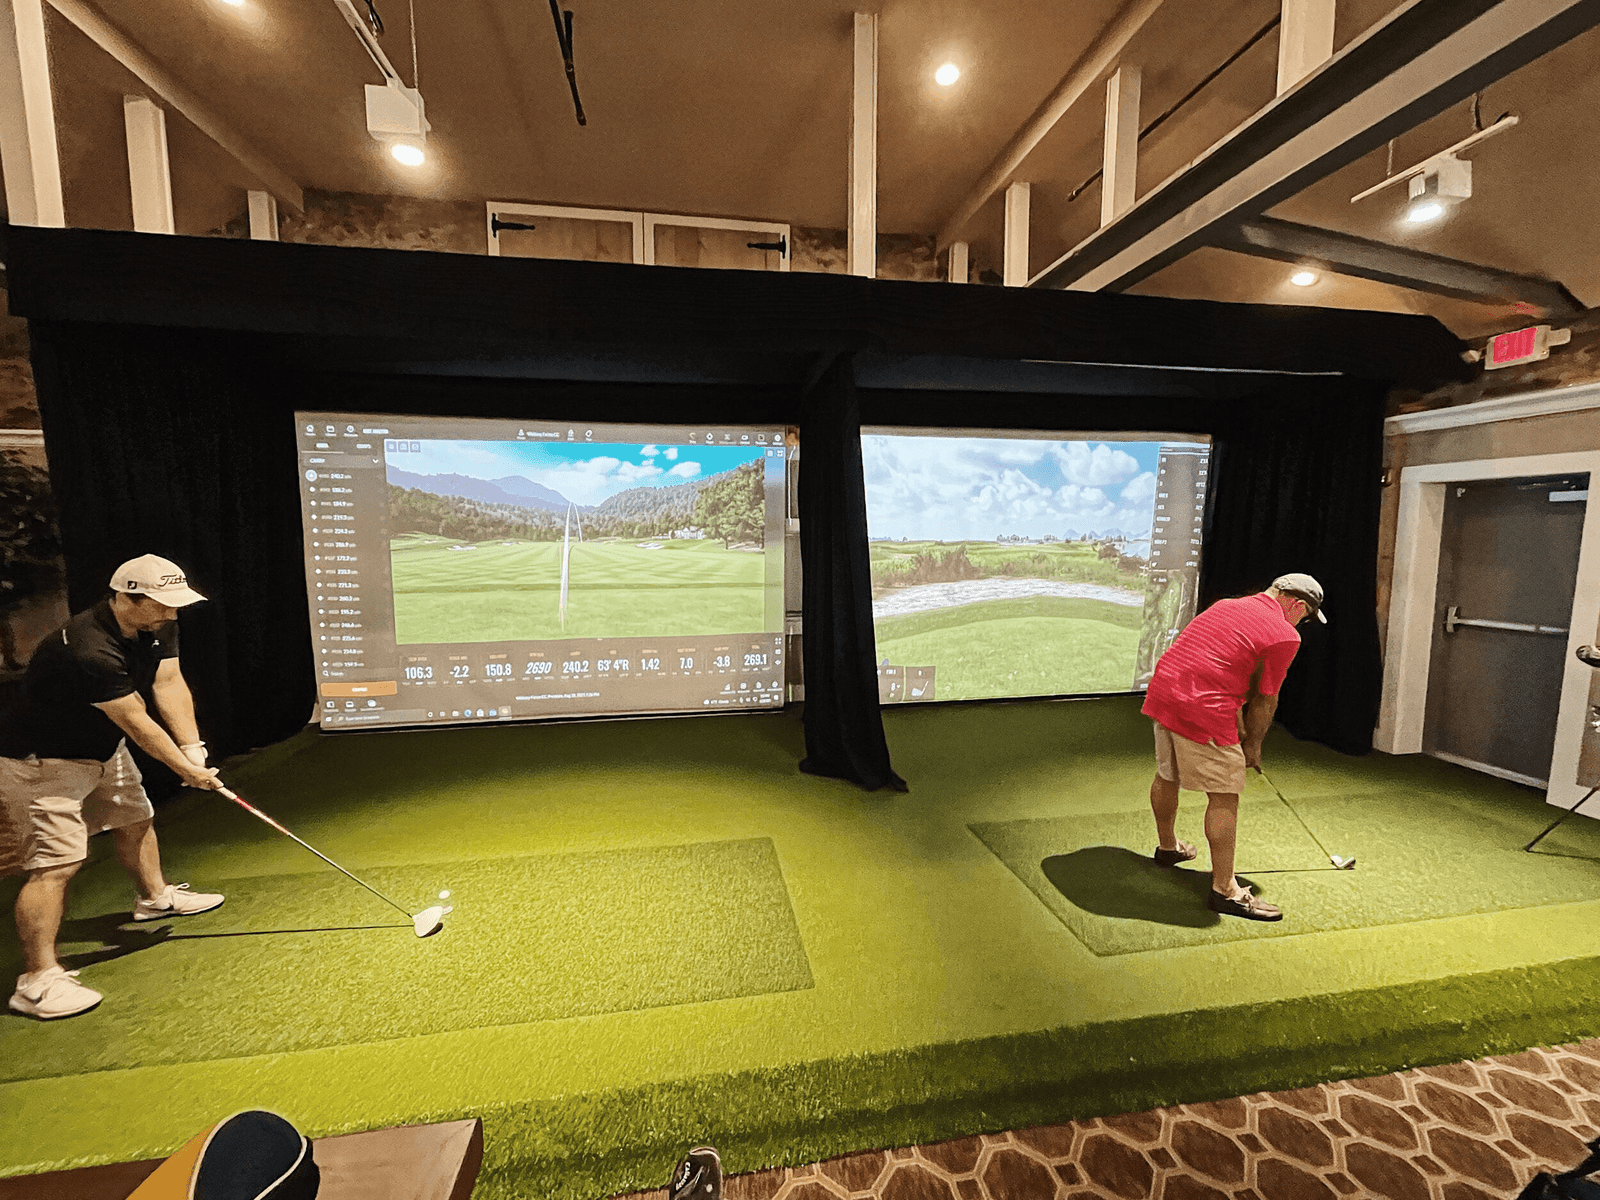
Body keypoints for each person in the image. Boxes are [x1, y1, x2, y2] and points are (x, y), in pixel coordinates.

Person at [0, 554, 227, 1020]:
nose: (172, 613)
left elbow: (168, 682)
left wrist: (193, 748)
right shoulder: (88, 648)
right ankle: (37, 981)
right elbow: (136, 721)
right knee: (55, 863)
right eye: (162, 604)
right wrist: (186, 771)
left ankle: (154, 899)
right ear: (126, 597)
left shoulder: (157, 623)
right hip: (42, 760)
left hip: (102, 745)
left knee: (135, 817)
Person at [1140, 573, 1326, 921]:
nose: (1302, 623)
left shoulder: (1227, 605)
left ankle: (1168, 847)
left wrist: (1236, 717)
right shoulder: (1285, 634)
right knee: (1225, 795)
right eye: (1305, 616)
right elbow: (1266, 699)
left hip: (1165, 689)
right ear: (1297, 604)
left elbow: (1220, 663)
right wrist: (1252, 746)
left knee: (1167, 774)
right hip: (1203, 705)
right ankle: (1226, 890)